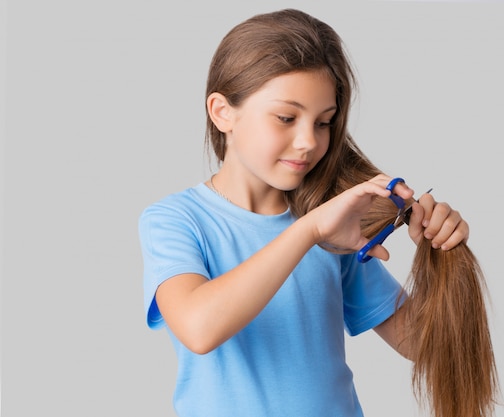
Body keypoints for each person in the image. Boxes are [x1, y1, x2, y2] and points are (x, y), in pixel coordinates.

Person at [138, 8, 472, 417]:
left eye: (324, 122)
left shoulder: (334, 226)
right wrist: (310, 231)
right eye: (286, 118)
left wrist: (438, 254)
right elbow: (199, 327)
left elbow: (424, 346)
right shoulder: (176, 219)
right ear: (223, 111)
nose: (308, 142)